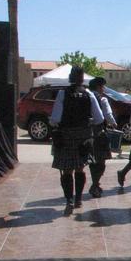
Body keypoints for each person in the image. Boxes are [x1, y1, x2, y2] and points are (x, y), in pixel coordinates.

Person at [49, 66, 104, 215]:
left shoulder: (62, 94)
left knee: (67, 170)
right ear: (82, 79)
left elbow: (55, 119)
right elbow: (99, 118)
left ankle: (69, 200)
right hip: (84, 135)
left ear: (70, 77)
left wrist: (56, 124)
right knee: (80, 167)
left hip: (66, 134)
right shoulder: (89, 94)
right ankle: (78, 199)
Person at [87, 77, 117, 198]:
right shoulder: (102, 99)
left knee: (92, 160)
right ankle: (95, 184)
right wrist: (114, 123)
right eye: (102, 86)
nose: (103, 89)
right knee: (101, 160)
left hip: (87, 132)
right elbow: (108, 115)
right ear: (99, 87)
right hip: (99, 132)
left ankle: (95, 184)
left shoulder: (86, 97)